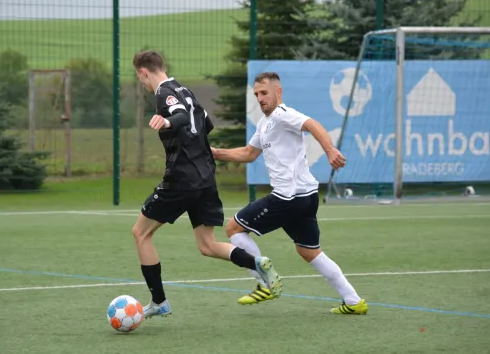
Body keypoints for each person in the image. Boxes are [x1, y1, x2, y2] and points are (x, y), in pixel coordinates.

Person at [131, 51, 283, 319]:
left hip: (181, 177)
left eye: (139, 76)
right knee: (207, 245)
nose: (141, 82)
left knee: (140, 233)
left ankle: (158, 301)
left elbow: (177, 115)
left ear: (144, 72)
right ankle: (256, 263)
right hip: (205, 177)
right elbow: (206, 123)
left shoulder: (164, 92)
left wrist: (167, 120)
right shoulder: (185, 90)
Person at [211, 72, 368, 315]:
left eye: (264, 93)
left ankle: (265, 284)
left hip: (288, 197)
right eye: (257, 95)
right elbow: (248, 153)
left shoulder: (283, 114)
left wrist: (329, 150)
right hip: (306, 196)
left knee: (233, 227)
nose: (260, 98)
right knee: (308, 250)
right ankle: (354, 301)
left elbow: (312, 125)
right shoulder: (265, 124)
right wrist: (216, 153)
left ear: (278, 93)